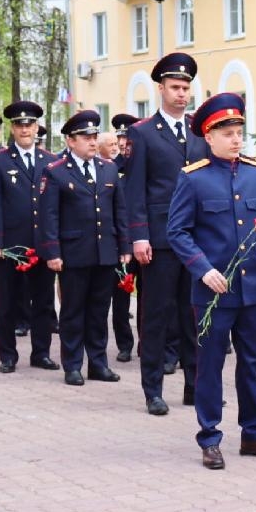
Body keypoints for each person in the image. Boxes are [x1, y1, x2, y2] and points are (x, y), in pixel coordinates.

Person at [167, 93, 256, 470]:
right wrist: (203, 268)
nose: (236, 139)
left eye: (239, 132)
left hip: (252, 290)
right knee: (210, 365)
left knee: (252, 363)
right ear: (209, 136)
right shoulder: (193, 178)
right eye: (228, 133)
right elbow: (177, 231)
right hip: (213, 292)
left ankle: (254, 433)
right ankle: (210, 437)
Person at [122, 52, 208, 416]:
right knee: (156, 316)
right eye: (175, 87)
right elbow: (134, 189)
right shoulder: (142, 133)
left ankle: (194, 386)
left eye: (186, 87)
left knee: (194, 316)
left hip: (196, 240)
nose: (181, 93)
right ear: (160, 89)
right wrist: (138, 236)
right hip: (157, 241)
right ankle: (153, 390)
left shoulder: (199, 132)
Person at [38, 111, 131, 387]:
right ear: (70, 141)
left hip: (104, 251)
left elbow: (120, 210)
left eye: (94, 137)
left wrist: (124, 245)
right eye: (85, 137)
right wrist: (53, 252)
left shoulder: (109, 168)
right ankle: (73, 365)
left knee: (99, 310)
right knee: (73, 310)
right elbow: (49, 216)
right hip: (74, 253)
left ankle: (98, 364)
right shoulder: (55, 172)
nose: (92, 142)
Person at [0, 101, 60, 375]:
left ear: (37, 127)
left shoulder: (50, 161)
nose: (25, 129)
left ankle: (41, 352)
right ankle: (7, 355)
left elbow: (55, 206)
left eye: (29, 124)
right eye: (19, 124)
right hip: (11, 246)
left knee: (43, 302)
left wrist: (56, 244)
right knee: (8, 302)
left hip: (43, 244)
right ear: (12, 129)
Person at [110, 114, 140, 363]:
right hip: (122, 243)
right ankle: (124, 344)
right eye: (120, 137)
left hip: (146, 241)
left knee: (151, 299)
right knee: (120, 298)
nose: (122, 142)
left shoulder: (145, 165)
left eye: (126, 137)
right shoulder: (111, 168)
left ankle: (149, 343)